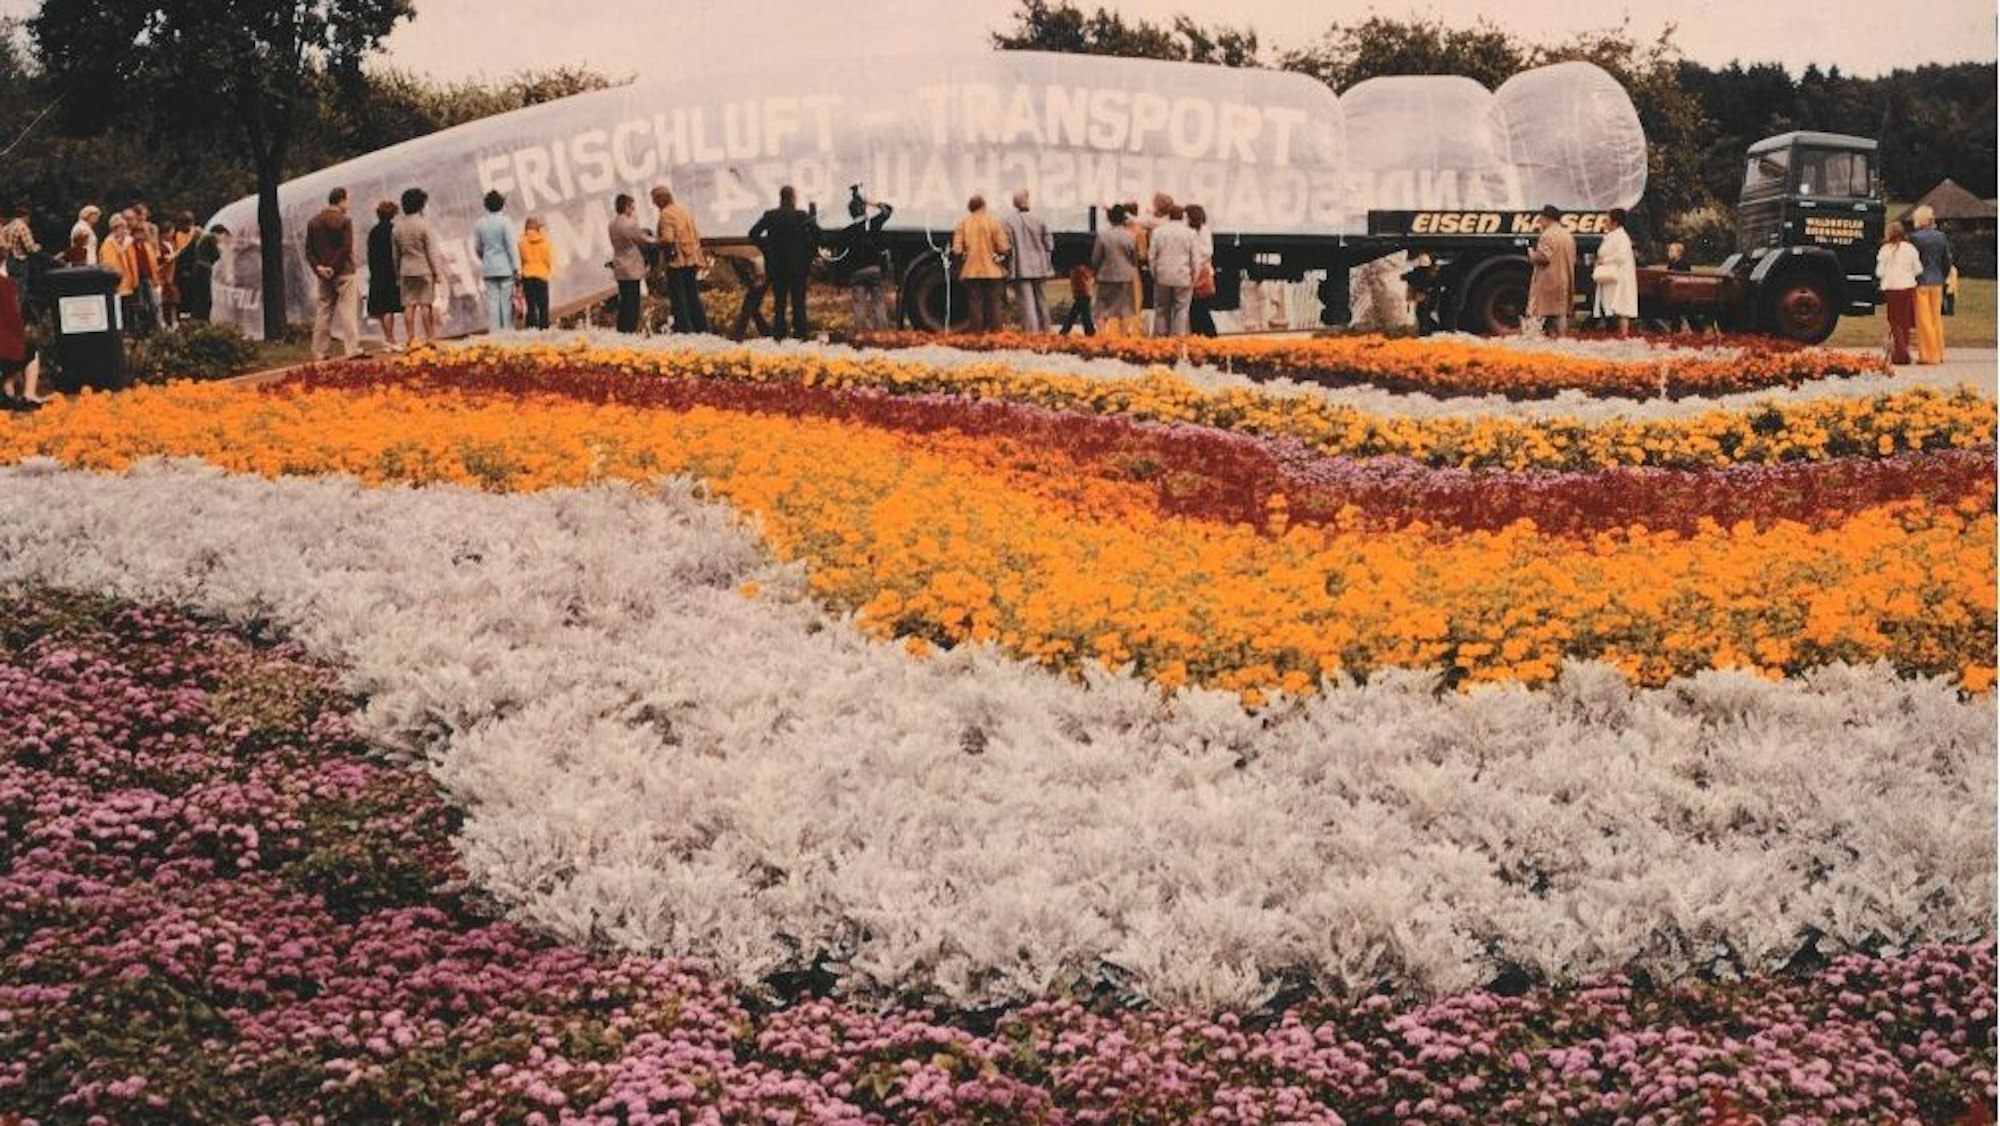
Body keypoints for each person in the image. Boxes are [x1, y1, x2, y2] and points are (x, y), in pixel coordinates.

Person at [747, 185, 817, 339]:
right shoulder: (802, 216)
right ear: (793, 198)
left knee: (779, 304)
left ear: (781, 197)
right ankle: (801, 334)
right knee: (798, 303)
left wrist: (767, 247)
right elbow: (818, 235)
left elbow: (753, 234)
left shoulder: (770, 215)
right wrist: (808, 253)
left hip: (776, 267)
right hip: (798, 267)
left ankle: (779, 335)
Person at [305, 186, 361, 360]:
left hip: (322, 275)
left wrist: (319, 267)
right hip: (344, 272)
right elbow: (346, 248)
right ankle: (352, 349)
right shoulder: (345, 221)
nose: (348, 204)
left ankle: (319, 351)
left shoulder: (313, 222)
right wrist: (333, 267)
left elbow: (308, 249)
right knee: (348, 311)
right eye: (347, 200)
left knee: (324, 311)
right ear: (342, 200)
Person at [392, 187, 446, 346]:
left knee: (408, 305)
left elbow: (395, 255)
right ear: (420, 205)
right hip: (423, 269)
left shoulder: (397, 228)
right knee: (425, 304)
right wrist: (436, 272)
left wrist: (397, 273)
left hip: (406, 270)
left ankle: (410, 338)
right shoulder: (424, 225)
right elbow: (432, 252)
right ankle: (430, 337)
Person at [950, 194, 1011, 335]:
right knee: (994, 302)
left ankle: (976, 334)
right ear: (983, 206)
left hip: (970, 270)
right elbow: (1003, 247)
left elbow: (957, 250)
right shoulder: (993, 222)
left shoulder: (962, 223)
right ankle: (996, 333)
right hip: (992, 270)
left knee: (974, 302)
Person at [652, 185, 708, 334]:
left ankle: (684, 331)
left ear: (660, 199)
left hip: (677, 262)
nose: (654, 204)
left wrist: (655, 241)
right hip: (692, 258)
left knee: (678, 299)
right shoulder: (684, 210)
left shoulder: (666, 214)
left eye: (654, 200)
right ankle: (702, 329)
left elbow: (668, 238)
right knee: (693, 296)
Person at [839, 193, 894, 335]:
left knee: (859, 304)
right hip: (874, 269)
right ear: (864, 210)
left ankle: (861, 333)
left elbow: (842, 256)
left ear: (850, 213)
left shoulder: (847, 232)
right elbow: (888, 210)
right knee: (878, 302)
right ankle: (882, 333)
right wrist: (871, 202)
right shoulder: (873, 224)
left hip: (856, 272)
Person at [1001, 188, 1054, 332]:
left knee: (1027, 302)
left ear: (1014, 203)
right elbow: (1049, 244)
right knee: (1041, 300)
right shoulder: (1040, 220)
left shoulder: (1007, 222)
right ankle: (1046, 329)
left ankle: (1032, 333)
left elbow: (1006, 246)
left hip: (1020, 266)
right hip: (1041, 265)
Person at [1909, 204, 1952, 364]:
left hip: (1921, 282)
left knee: (1923, 320)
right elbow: (1947, 260)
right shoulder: (1941, 236)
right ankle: (1939, 353)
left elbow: (1912, 262)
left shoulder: (1915, 238)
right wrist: (1943, 276)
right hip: (1937, 281)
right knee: (1936, 318)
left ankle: (1927, 355)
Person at [472, 190, 520, 334]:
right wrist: (517, 267)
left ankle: (495, 332)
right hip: (505, 267)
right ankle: (507, 331)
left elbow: (478, 247)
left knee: (493, 302)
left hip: (489, 268)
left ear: (486, 205)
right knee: (506, 302)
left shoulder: (480, 223)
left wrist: (485, 257)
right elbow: (512, 247)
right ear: (502, 205)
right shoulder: (506, 222)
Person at [1147, 204, 1198, 337]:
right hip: (1183, 276)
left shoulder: (1158, 232)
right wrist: (1194, 277)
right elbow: (1195, 259)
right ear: (1182, 216)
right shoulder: (1190, 233)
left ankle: (1161, 341)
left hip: (1162, 276)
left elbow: (1152, 256)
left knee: (1161, 309)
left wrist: (1154, 274)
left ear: (1169, 216)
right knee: (1181, 309)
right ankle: (1177, 341)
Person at [1874, 220, 1920, 366]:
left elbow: (1879, 272)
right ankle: (1903, 351)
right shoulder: (1911, 248)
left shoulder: (1885, 250)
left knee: (1893, 321)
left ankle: (1900, 354)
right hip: (1908, 287)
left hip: (1891, 288)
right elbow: (1918, 269)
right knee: (1905, 321)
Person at [0, 258, 43, 411]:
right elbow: (13, 321)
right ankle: (29, 394)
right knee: (30, 350)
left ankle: (7, 390)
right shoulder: (4, 286)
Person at [1526, 204, 1576, 337]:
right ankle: (1563, 342)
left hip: (1548, 283)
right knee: (1560, 315)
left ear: (1547, 218)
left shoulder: (1547, 235)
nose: (1539, 222)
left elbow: (1543, 258)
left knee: (1541, 315)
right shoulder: (1567, 235)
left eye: (1541, 219)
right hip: (1564, 280)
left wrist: (1532, 254)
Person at [1091, 204, 1140, 337]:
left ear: (1109, 219)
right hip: (1125, 276)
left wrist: (1095, 273)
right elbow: (1135, 258)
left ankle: (1102, 336)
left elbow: (1096, 258)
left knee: (1101, 309)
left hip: (1105, 275)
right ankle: (1123, 338)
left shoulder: (1103, 235)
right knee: (1125, 309)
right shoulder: (1130, 236)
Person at [607, 192, 654, 334]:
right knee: (633, 301)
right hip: (632, 265)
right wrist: (655, 239)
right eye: (632, 208)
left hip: (620, 264)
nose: (633, 211)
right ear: (626, 207)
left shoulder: (612, 223)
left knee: (624, 299)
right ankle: (629, 330)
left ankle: (621, 329)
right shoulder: (630, 223)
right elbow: (643, 240)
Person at [1591, 207, 1638, 338]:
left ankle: (1622, 335)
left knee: (1620, 306)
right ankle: (1614, 334)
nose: (1604, 223)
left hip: (1619, 278)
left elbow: (1621, 257)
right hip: (1610, 276)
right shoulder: (1612, 237)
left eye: (1607, 220)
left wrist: (1604, 260)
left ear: (1615, 223)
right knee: (1610, 306)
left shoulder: (1622, 238)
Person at [365, 199, 403, 348]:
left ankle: (388, 336)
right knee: (389, 307)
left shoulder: (373, 232)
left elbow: (370, 253)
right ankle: (390, 338)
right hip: (390, 271)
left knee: (381, 306)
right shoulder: (394, 230)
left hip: (377, 271)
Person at [98, 213, 139, 333]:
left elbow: (133, 262)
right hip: (116, 283)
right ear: (114, 229)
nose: (123, 230)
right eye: (121, 227)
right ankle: (120, 333)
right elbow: (108, 264)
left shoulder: (128, 243)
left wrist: (135, 280)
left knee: (129, 310)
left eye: (124, 227)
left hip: (129, 282)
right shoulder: (108, 244)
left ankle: (130, 332)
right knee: (118, 310)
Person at [1185, 203, 1218, 337]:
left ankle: (1208, 334)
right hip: (1195, 271)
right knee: (1194, 307)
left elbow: (1208, 251)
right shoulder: (1192, 231)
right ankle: (1198, 334)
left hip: (1201, 272)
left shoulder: (1203, 231)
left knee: (1200, 306)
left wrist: (1194, 255)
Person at [158, 212, 195, 329]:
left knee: (176, 297)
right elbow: (180, 252)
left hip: (184, 269)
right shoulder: (179, 236)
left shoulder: (174, 241)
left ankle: (178, 320)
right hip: (175, 272)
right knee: (172, 299)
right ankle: (172, 321)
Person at [184, 224, 226, 322]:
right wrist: (220, 251)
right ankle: (202, 320)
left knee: (200, 297)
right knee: (205, 298)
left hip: (198, 268)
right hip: (204, 269)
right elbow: (216, 255)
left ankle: (197, 320)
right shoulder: (211, 238)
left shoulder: (204, 239)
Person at [519, 215, 553, 330]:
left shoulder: (521, 242)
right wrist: (548, 270)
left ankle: (531, 329)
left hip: (527, 276)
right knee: (543, 306)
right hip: (541, 275)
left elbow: (521, 259)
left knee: (530, 305)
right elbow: (548, 259)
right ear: (538, 227)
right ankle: (544, 329)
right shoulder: (545, 241)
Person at [1402, 252, 1441, 336]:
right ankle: (1425, 329)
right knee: (1423, 311)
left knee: (1422, 311)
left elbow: (1414, 277)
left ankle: (1425, 329)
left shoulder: (1424, 271)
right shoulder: (1427, 271)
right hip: (1424, 293)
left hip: (1424, 293)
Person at [1059, 261, 1096, 336]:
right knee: (1083, 299)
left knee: (1080, 302)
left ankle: (1066, 329)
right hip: (1081, 267)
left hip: (1079, 266)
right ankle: (1089, 329)